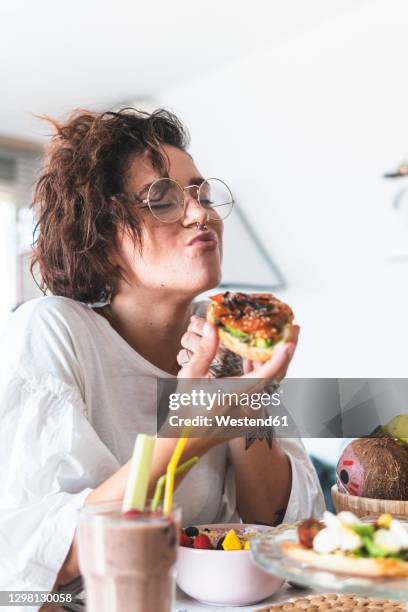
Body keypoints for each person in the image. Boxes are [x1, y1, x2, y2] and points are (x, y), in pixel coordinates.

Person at [0, 108, 324, 597]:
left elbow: (274, 525)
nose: (201, 215)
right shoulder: (54, 329)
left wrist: (241, 404)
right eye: (162, 200)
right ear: (103, 239)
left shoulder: (226, 337)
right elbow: (36, 562)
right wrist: (188, 432)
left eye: (203, 195)